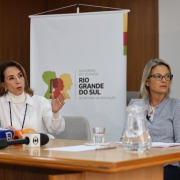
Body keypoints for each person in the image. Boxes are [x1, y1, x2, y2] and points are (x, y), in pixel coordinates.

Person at [131, 59, 180, 180]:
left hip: (167, 166)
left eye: (167, 76)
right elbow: (126, 140)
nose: (164, 80)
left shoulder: (176, 106)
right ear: (147, 81)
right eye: (158, 76)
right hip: (140, 163)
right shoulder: (136, 107)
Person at [0, 61, 65, 138]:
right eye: (11, 78)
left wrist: (55, 113)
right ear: (4, 85)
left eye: (20, 76)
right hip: (11, 149)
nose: (18, 81)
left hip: (38, 148)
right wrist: (3, 132)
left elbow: (55, 130)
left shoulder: (40, 102)